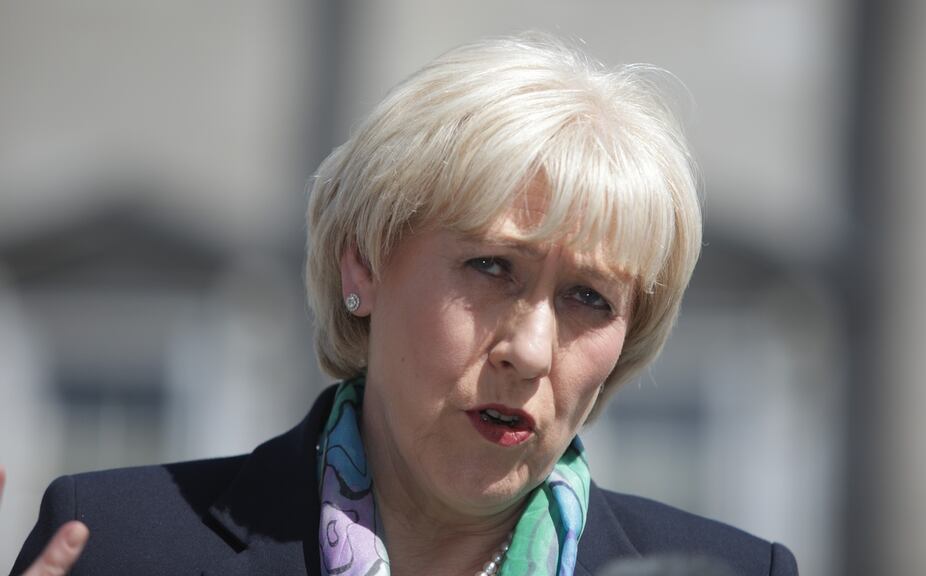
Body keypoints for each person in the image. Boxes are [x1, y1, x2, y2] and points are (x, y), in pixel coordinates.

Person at [10, 35, 798, 576]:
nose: (528, 349)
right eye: (491, 267)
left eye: (589, 298)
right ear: (365, 262)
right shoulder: (117, 543)